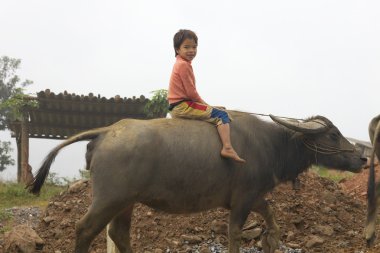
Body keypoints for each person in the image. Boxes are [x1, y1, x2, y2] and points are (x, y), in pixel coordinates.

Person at [167, 29, 245, 163]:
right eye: (186, 47)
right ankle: (227, 147)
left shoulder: (180, 63)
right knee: (222, 115)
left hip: (179, 105)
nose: (191, 50)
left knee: (216, 110)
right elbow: (191, 93)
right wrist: (209, 106)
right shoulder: (184, 65)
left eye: (194, 47)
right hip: (183, 106)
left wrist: (209, 107)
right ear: (177, 49)